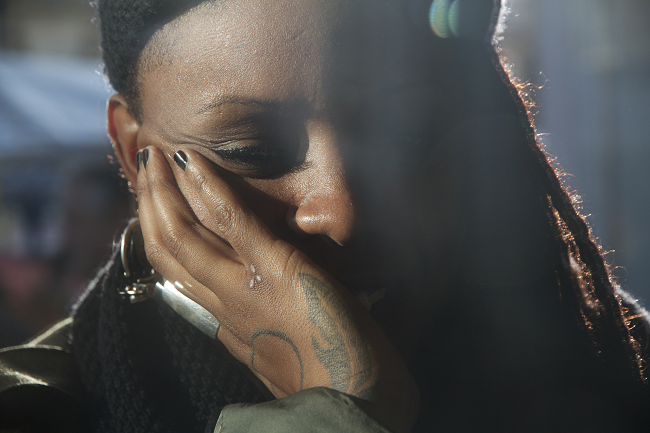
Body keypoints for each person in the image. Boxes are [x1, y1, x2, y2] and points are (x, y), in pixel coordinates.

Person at [1, 0, 648, 432]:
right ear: (133, 152)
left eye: (405, 133)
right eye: (251, 150)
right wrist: (341, 409)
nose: (341, 211)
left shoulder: (623, 366)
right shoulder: (33, 409)